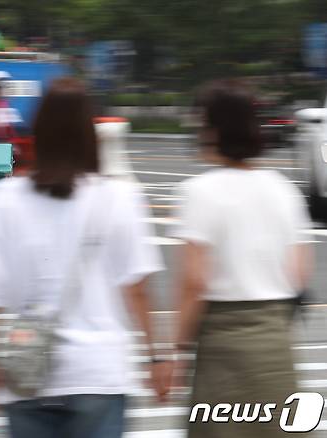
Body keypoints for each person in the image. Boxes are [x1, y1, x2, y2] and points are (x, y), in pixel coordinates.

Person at [0, 77, 172, 438]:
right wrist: (157, 357)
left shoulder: (4, 198)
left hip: (28, 374)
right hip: (99, 375)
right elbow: (137, 290)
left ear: (38, 131)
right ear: (90, 133)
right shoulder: (120, 197)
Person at [171, 80, 313, 438]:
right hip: (275, 341)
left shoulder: (199, 192)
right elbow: (300, 271)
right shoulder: (283, 189)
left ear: (215, 131)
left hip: (223, 343)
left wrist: (178, 347)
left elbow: (194, 282)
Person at [0, 79, 23, 143]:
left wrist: (14, 138)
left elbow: (8, 125)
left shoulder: (4, 102)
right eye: (2, 89)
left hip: (4, 139)